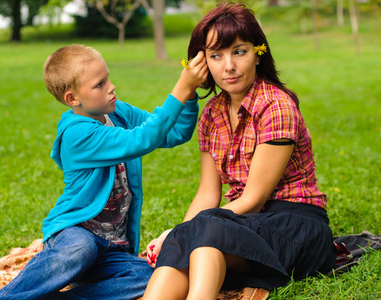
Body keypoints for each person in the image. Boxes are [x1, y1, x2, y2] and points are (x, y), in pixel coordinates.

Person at [142, 3, 336, 300]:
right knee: (190, 242)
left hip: (295, 226)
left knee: (200, 232)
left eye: (239, 51)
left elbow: (254, 198)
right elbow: (208, 193)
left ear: (258, 53)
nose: (228, 66)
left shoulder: (276, 106)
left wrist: (184, 231)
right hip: (238, 225)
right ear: (203, 62)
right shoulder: (212, 114)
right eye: (216, 56)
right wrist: (179, 234)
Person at [0, 44, 208, 300]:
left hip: (113, 249)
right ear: (73, 99)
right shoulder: (76, 133)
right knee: (79, 249)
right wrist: (181, 88)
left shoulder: (118, 113)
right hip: (75, 235)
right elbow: (143, 139)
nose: (111, 86)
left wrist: (191, 93)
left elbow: (174, 133)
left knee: (157, 278)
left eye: (108, 78)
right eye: (99, 84)